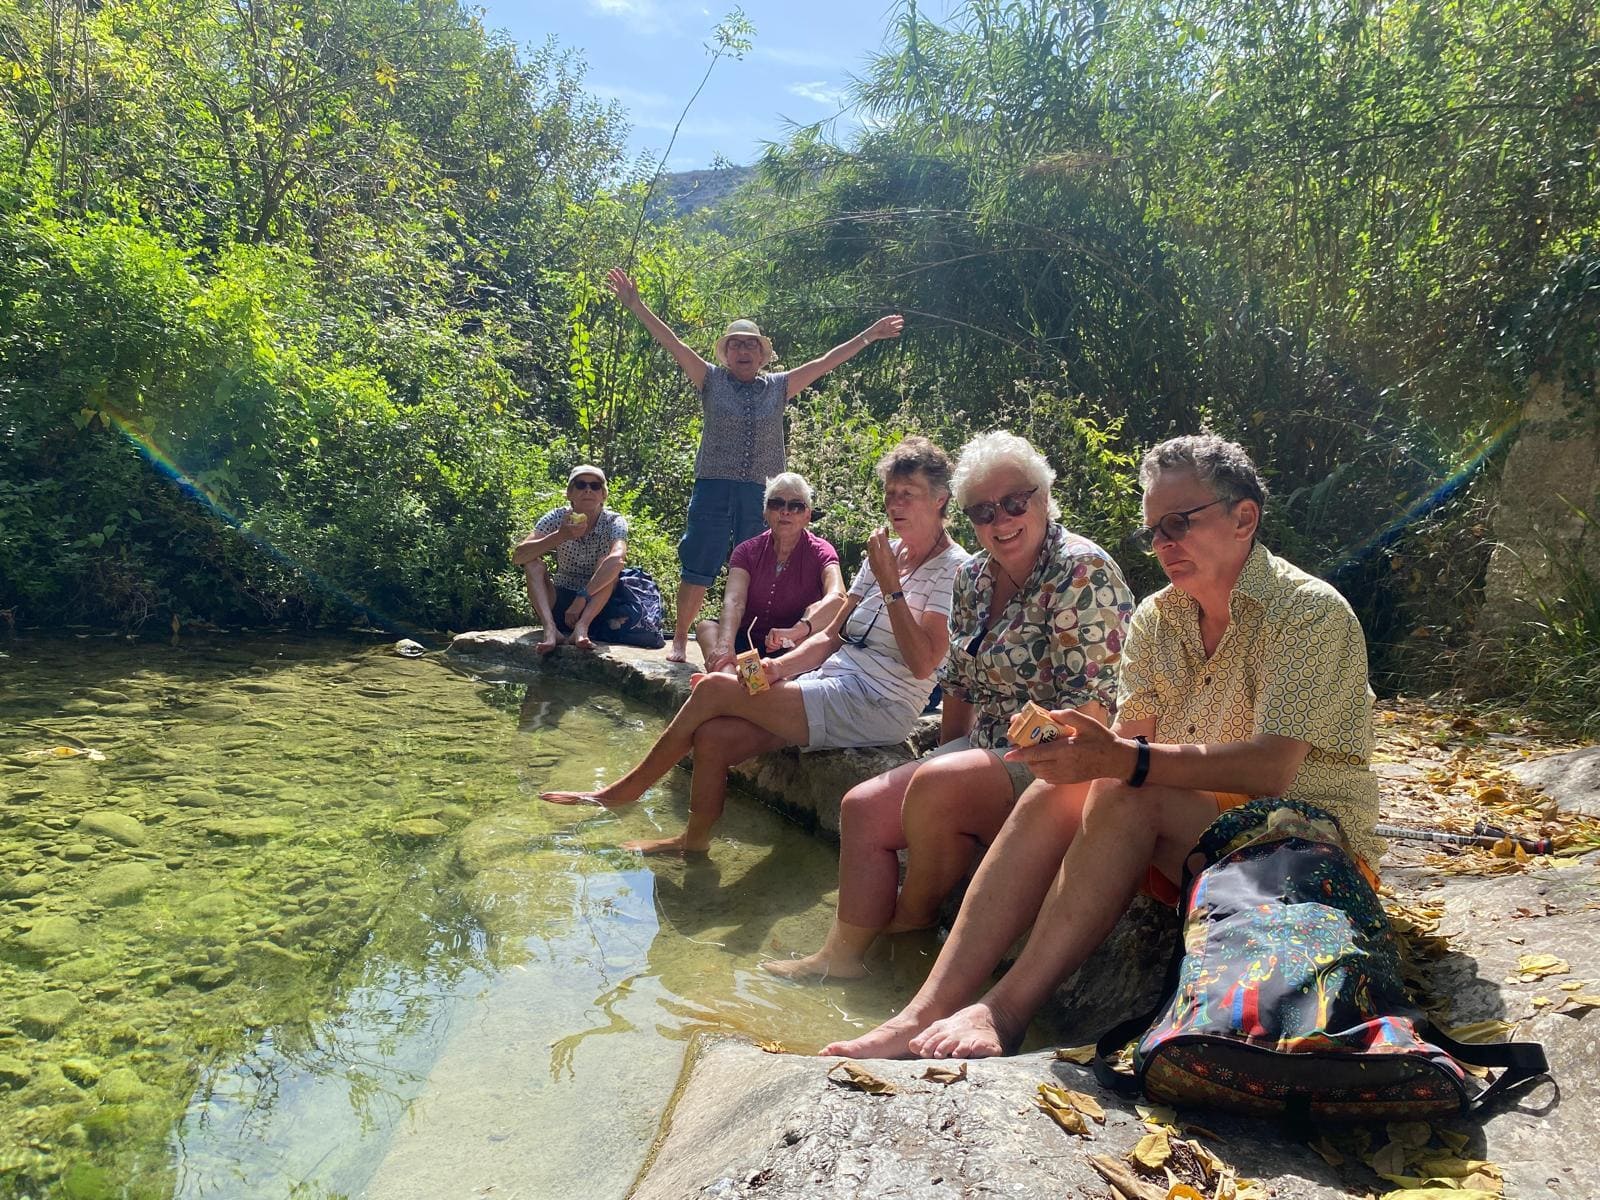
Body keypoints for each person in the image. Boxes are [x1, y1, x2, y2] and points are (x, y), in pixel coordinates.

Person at [824, 433, 1385, 1059]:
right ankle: (922, 1010)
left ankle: (1004, 1009)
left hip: (1307, 847)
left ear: (1243, 518)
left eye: (1180, 522)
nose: (1165, 544)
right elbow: (1129, 741)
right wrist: (1086, 754)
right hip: (1206, 830)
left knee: (1123, 793)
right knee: (1065, 787)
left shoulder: (1306, 611)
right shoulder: (1157, 617)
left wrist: (1121, 758)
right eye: (1155, 531)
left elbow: (1273, 768)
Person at [765, 433, 1135, 980]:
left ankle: (905, 929)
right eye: (984, 510)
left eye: (1015, 501)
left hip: (1055, 766)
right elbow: (958, 683)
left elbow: (1095, 710)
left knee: (937, 788)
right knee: (863, 807)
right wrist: (939, 761)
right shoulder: (975, 577)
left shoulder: (1080, 569)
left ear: (1044, 495)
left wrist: (944, 778)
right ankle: (840, 959)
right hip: (983, 747)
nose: (1001, 520)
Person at [541, 437, 970, 856]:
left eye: (908, 494)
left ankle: (622, 791)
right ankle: (694, 840)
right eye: (891, 493)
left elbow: (923, 664)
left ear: (940, 499)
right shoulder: (884, 553)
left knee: (712, 688)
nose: (895, 504)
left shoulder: (955, 569)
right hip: (828, 681)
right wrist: (777, 670)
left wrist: (891, 586)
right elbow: (828, 637)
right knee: (712, 736)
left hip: (879, 703)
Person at [604, 266, 905, 662]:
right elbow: (672, 343)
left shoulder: (779, 387)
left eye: (751, 345)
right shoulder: (710, 379)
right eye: (735, 345)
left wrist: (870, 335)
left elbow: (827, 361)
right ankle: (679, 638)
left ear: (762, 354)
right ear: (726, 352)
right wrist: (636, 305)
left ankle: (747, 642)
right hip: (713, 483)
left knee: (756, 566)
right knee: (700, 559)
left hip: (762, 494)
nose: (743, 351)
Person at [695, 472, 847, 672]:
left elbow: (838, 598)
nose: (785, 512)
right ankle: (731, 680)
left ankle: (754, 683)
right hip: (747, 643)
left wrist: (797, 630)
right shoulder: (747, 551)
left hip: (793, 646)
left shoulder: (821, 551)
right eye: (776, 504)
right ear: (765, 512)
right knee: (707, 628)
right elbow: (734, 601)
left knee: (818, 640)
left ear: (807, 515)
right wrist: (726, 644)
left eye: (796, 506)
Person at [511, 465, 629, 653]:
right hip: (559, 597)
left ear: (603, 495)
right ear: (570, 493)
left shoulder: (614, 521)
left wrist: (583, 597)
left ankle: (582, 628)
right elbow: (518, 556)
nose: (588, 490)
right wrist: (560, 535)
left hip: (595, 603)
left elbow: (618, 558)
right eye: (581, 485)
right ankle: (550, 630)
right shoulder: (557, 517)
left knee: (608, 564)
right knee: (533, 563)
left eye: (595, 486)